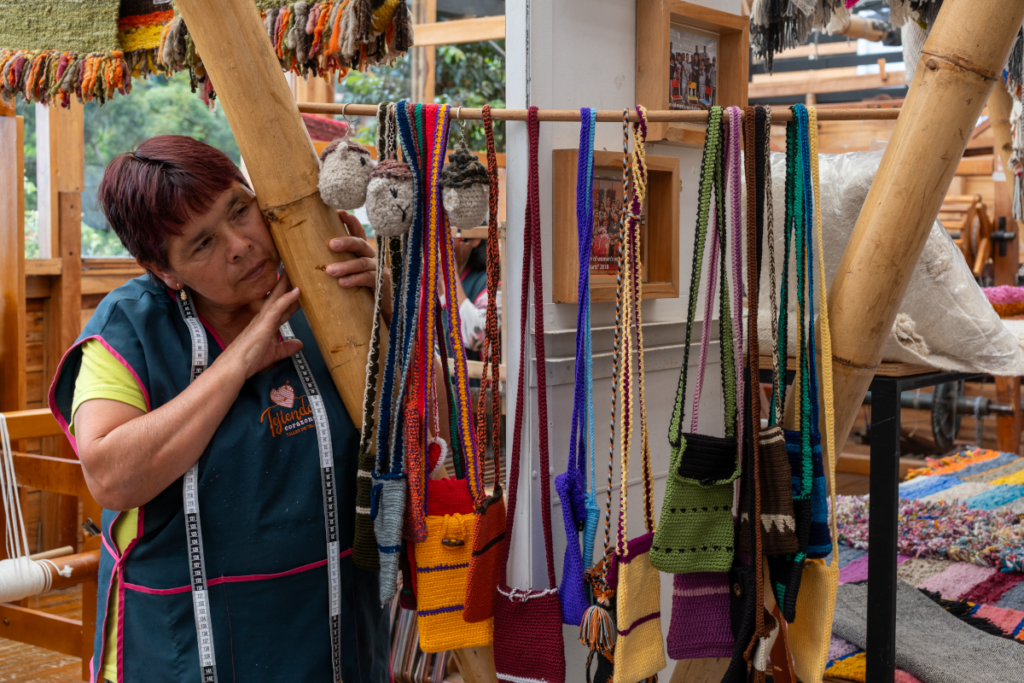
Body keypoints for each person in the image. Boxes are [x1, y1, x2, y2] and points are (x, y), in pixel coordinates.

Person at [48, 135, 391, 683]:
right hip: (181, 642)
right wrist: (237, 364)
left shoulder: (332, 293)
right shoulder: (129, 324)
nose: (240, 245)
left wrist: (398, 321)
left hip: (333, 631)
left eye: (240, 209)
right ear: (164, 270)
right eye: (201, 244)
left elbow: (431, 431)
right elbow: (111, 476)